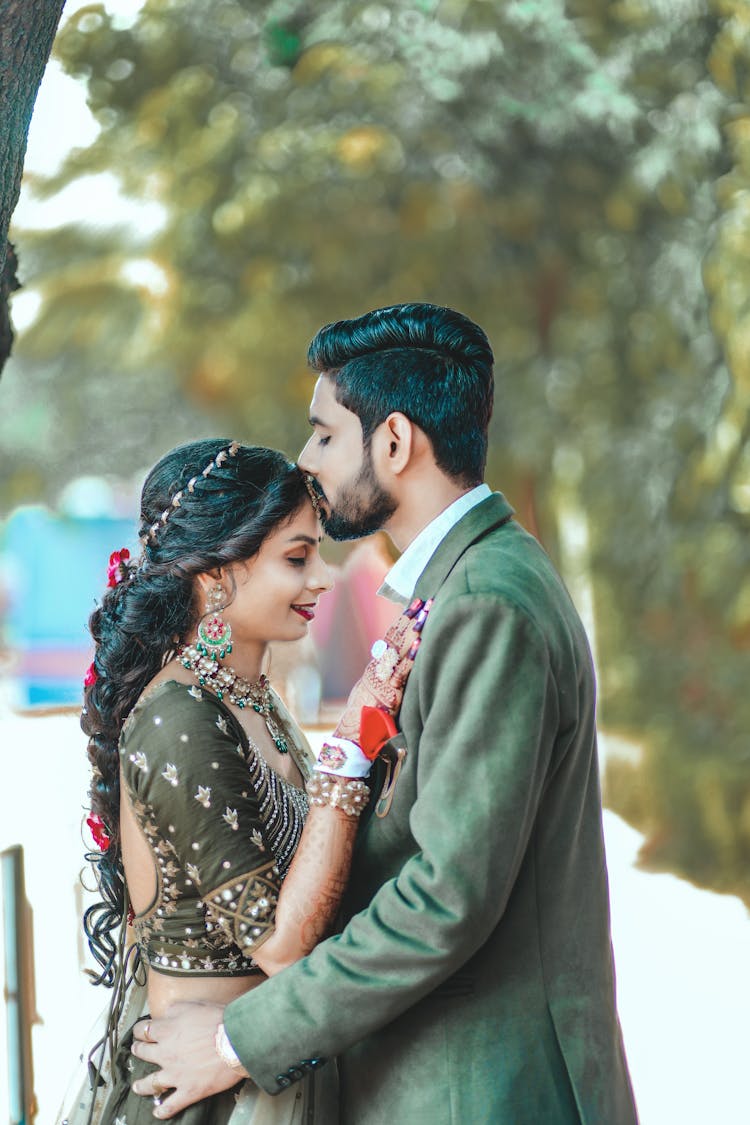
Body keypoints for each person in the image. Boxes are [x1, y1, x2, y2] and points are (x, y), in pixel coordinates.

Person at [129, 304, 639, 1124]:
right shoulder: (463, 587)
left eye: (325, 434)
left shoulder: (486, 605)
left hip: (481, 1087)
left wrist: (236, 1041)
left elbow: (446, 897)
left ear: (394, 441)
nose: (306, 460)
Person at [63, 438, 420, 1125]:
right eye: (296, 557)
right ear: (217, 572)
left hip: (274, 1074)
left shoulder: (259, 701)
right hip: (207, 1098)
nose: (321, 578)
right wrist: (352, 745)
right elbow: (282, 949)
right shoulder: (178, 716)